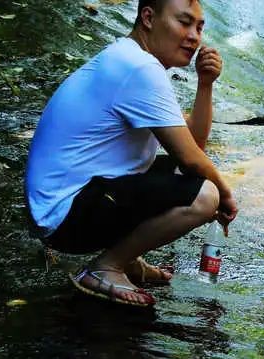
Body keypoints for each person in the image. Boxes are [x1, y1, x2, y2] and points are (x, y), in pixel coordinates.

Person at [25, 0, 238, 308]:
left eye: (199, 27)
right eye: (184, 22)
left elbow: (192, 144)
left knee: (182, 175)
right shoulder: (138, 68)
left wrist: (205, 86)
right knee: (205, 195)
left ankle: (127, 259)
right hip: (65, 215)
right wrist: (225, 194)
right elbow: (191, 159)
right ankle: (107, 267)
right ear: (148, 18)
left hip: (65, 205)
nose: (194, 36)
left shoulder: (132, 59)